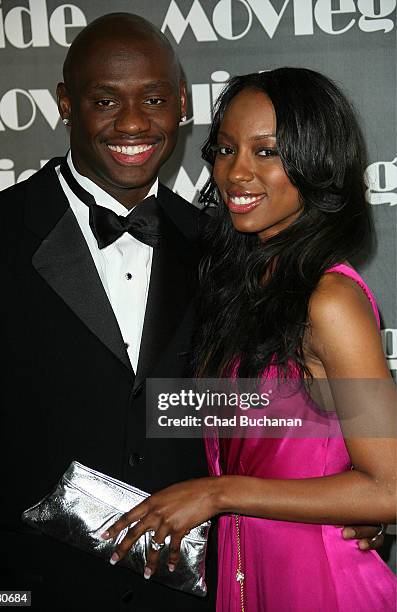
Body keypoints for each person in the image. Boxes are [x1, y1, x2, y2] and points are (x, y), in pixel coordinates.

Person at [103, 68, 397, 611]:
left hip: (322, 585)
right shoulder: (239, 286)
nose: (235, 172)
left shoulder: (331, 301)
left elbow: (389, 488)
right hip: (242, 573)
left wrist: (218, 494)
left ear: (317, 163)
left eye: (267, 152)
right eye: (226, 148)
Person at [0, 13, 216, 612]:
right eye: (105, 100)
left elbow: (263, 404)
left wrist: (341, 500)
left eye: (153, 99)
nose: (132, 123)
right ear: (64, 103)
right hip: (31, 592)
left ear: (181, 104)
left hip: (183, 596)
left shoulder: (220, 248)